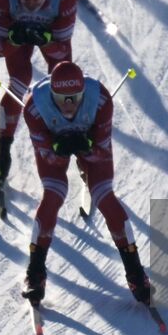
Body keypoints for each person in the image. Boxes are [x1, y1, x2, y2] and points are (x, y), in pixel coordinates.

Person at [21, 61, 152, 306]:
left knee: (104, 196)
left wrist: (85, 146)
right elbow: (47, 155)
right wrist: (61, 148)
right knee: (53, 195)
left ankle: (135, 272)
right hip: (56, 150)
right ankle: (35, 273)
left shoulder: (101, 99)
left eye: (75, 98)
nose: (68, 105)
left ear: (83, 92)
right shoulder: (34, 107)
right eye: (62, 99)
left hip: (90, 146)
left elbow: (101, 150)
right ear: (51, 94)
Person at [0, 0, 78, 184]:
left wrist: (46, 40)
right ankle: (3, 150)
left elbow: (62, 50)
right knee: (19, 82)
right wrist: (15, 39)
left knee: (61, 84)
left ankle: (75, 147)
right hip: (17, 32)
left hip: (51, 32)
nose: (30, 3)